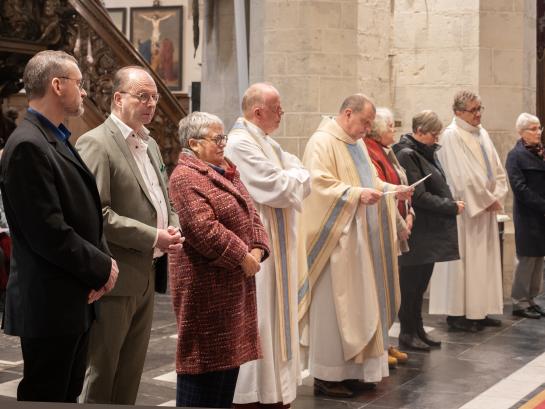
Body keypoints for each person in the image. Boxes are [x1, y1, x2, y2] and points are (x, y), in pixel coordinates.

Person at [0, 50, 118, 402]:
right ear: (57, 85)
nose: (84, 92)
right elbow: (48, 231)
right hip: (50, 300)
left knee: (67, 394)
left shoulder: (55, 137)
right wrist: (102, 267)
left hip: (72, 294)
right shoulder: (27, 145)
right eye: (79, 84)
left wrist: (102, 266)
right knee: (46, 395)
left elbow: (88, 214)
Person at [76, 66, 182, 404]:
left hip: (147, 275)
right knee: (102, 372)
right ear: (118, 98)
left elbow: (161, 199)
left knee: (131, 371)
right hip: (115, 276)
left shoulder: (149, 145)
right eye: (143, 96)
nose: (151, 104)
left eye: (154, 97)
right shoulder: (96, 143)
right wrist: (153, 236)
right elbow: (97, 214)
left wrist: (174, 224)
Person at [300, 94, 412, 399]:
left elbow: (371, 181)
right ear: (347, 113)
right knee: (335, 312)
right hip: (336, 242)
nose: (367, 129)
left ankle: (354, 372)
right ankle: (327, 375)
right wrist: (355, 194)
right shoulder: (322, 142)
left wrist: (393, 189)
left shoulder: (357, 142)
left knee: (361, 309)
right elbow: (318, 185)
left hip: (362, 240)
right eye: (364, 122)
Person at [169, 112, 270, 408]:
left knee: (226, 376)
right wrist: (242, 256)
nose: (223, 143)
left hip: (233, 288)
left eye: (222, 137)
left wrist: (257, 250)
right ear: (193, 143)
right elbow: (204, 229)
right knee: (202, 373)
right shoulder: (185, 177)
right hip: (206, 290)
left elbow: (253, 216)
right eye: (217, 138)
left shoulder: (226, 171)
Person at [225, 83, 311, 408]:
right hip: (257, 241)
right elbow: (276, 186)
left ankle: (275, 390)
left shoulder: (267, 143)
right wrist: (295, 176)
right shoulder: (239, 143)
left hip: (277, 241)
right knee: (260, 317)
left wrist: (295, 175)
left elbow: (300, 172)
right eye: (277, 107)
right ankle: (252, 394)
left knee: (275, 316)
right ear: (258, 111)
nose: (283, 112)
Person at [429, 90, 508, 332]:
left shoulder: (481, 133)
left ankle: (480, 310)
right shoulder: (451, 137)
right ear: (458, 112)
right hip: (466, 213)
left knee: (483, 263)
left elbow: (497, 169)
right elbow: (461, 178)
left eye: (479, 108)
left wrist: (496, 196)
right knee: (464, 262)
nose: (478, 114)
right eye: (473, 110)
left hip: (484, 209)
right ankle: (458, 314)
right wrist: (486, 200)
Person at [393, 110, 463, 350]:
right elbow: (419, 196)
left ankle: (418, 329)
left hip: (429, 231)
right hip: (417, 230)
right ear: (420, 131)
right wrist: (450, 206)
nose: (437, 139)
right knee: (411, 286)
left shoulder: (423, 151)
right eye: (434, 134)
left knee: (421, 285)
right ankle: (407, 333)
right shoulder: (406, 154)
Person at [364, 107, 413, 367]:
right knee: (381, 290)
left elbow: (400, 181)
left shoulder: (385, 151)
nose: (394, 130)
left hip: (395, 225)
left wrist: (410, 212)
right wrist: (399, 222)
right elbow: (382, 193)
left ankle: (386, 341)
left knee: (390, 290)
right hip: (382, 228)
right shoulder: (369, 151)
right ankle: (381, 344)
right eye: (391, 126)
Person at [506, 113, 545, 319]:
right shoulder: (515, 155)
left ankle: (531, 298)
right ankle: (519, 302)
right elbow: (519, 188)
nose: (538, 132)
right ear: (521, 132)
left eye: (539, 128)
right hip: (528, 215)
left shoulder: (541, 152)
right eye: (533, 129)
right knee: (526, 259)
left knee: (539, 258)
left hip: (541, 216)